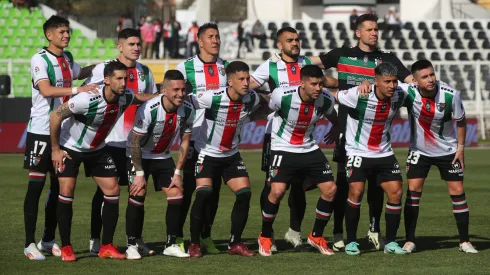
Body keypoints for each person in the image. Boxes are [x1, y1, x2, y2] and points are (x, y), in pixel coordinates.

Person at [319, 13, 413, 252]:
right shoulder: (341, 54)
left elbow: (410, 81)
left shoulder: (387, 59)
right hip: (349, 131)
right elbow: (312, 69)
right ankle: (340, 232)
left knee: (379, 187)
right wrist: (333, 82)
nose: (374, 33)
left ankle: (375, 230)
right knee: (348, 185)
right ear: (358, 32)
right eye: (369, 29)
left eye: (376, 29)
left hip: (379, 137)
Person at [49, 61, 156, 262]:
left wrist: (162, 95)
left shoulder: (125, 96)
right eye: (119, 78)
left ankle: (106, 245)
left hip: (97, 150)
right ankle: (66, 247)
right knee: (67, 191)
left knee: (113, 190)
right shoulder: (87, 99)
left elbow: (140, 97)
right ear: (106, 80)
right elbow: (55, 116)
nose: (124, 82)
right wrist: (55, 150)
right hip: (71, 148)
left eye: (125, 78)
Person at [252, 26, 338, 251]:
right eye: (290, 40)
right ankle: (266, 234)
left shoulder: (306, 64)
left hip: (305, 137)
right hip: (278, 133)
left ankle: (295, 231)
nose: (295, 43)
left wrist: (340, 82)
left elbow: (327, 78)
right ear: (279, 45)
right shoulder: (270, 66)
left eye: (297, 39)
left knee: (300, 187)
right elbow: (249, 87)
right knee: (274, 187)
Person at [23, 15, 97, 261]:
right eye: (62, 31)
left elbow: (79, 74)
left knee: (57, 187)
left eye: (68, 32)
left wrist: (103, 66)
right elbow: (45, 90)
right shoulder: (39, 59)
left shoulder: (67, 58)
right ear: (49, 35)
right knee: (35, 187)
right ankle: (28, 243)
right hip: (41, 131)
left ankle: (47, 239)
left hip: (64, 133)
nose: (66, 35)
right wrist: (78, 90)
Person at [83, 28, 158, 258]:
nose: (136, 48)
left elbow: (153, 103)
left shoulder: (146, 72)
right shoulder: (104, 68)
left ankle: (134, 240)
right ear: (120, 46)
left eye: (138, 44)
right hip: (110, 142)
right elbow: (87, 94)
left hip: (135, 144)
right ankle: (97, 239)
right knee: (105, 193)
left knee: (139, 191)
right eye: (131, 44)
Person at [187, 61, 266, 258]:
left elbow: (267, 103)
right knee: (204, 194)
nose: (246, 82)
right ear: (230, 82)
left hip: (231, 156)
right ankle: (195, 243)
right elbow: (182, 100)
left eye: (248, 78)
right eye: (241, 79)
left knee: (244, 194)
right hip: (207, 153)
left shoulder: (251, 98)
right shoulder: (211, 98)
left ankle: (235, 243)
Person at [400, 60, 478, 254]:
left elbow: (460, 121)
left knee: (458, 191)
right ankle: (409, 240)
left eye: (432, 74)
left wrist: (460, 149)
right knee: (413, 192)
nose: (431, 79)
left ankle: (464, 241)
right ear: (415, 81)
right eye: (425, 77)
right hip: (419, 151)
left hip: (448, 150)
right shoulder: (407, 92)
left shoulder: (451, 95)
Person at [333, 62, 408, 256]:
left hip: (384, 152)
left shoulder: (400, 92)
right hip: (358, 151)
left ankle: (391, 242)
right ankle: (351, 241)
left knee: (396, 193)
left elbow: (420, 86)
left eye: (394, 81)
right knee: (356, 192)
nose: (392, 86)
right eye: (387, 82)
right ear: (376, 81)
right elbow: (333, 95)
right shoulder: (359, 94)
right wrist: (361, 83)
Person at [126, 70, 194, 259]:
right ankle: (132, 243)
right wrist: (139, 173)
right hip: (137, 155)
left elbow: (185, 141)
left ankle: (171, 244)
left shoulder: (188, 109)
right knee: (137, 193)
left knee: (176, 193)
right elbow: (135, 142)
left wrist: (178, 171)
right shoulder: (149, 108)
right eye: (176, 90)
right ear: (164, 90)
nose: (180, 94)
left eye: (183, 89)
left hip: (162, 156)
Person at [175, 22, 229, 255]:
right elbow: (175, 98)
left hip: (217, 142)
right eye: (211, 36)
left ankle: (205, 235)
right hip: (192, 138)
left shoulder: (226, 68)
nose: (216, 40)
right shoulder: (185, 67)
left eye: (217, 36)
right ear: (199, 41)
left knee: (212, 193)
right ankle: (177, 236)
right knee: (186, 192)